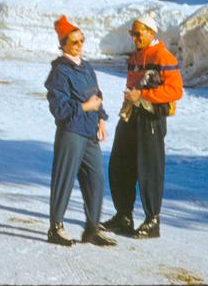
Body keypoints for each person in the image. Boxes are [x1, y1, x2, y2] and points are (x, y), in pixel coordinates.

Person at [103, 13, 183, 239]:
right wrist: (128, 102)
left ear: (151, 33)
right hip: (131, 115)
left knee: (149, 168)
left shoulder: (163, 57)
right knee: (119, 164)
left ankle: (152, 220)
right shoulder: (135, 56)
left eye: (138, 33)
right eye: (132, 33)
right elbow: (131, 86)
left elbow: (176, 90)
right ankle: (124, 216)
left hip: (151, 119)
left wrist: (143, 94)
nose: (134, 37)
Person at [44, 16, 116, 247]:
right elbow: (58, 108)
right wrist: (85, 107)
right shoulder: (59, 72)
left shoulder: (86, 67)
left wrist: (101, 120)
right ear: (63, 44)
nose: (79, 45)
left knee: (96, 179)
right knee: (64, 178)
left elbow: (97, 95)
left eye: (82, 40)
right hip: (71, 131)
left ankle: (92, 228)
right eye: (74, 42)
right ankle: (56, 227)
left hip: (89, 131)